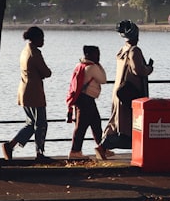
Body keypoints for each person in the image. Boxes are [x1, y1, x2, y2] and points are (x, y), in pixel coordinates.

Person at [96, 20, 153, 160]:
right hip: (130, 94)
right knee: (129, 127)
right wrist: (149, 68)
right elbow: (138, 70)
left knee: (116, 121)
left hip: (119, 92)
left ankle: (103, 146)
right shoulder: (135, 51)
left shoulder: (122, 51)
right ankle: (104, 145)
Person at [1, 26, 53, 162]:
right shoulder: (35, 53)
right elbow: (46, 72)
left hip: (24, 91)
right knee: (41, 124)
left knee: (31, 123)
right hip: (34, 92)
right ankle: (40, 153)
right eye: (42, 38)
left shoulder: (25, 50)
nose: (43, 41)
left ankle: (10, 145)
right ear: (36, 39)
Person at [65, 45, 107, 160]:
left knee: (96, 123)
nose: (98, 56)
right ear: (89, 55)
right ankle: (75, 151)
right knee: (81, 126)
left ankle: (102, 148)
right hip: (86, 99)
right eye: (96, 54)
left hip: (81, 98)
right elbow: (103, 79)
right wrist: (99, 64)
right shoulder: (92, 67)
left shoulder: (79, 65)